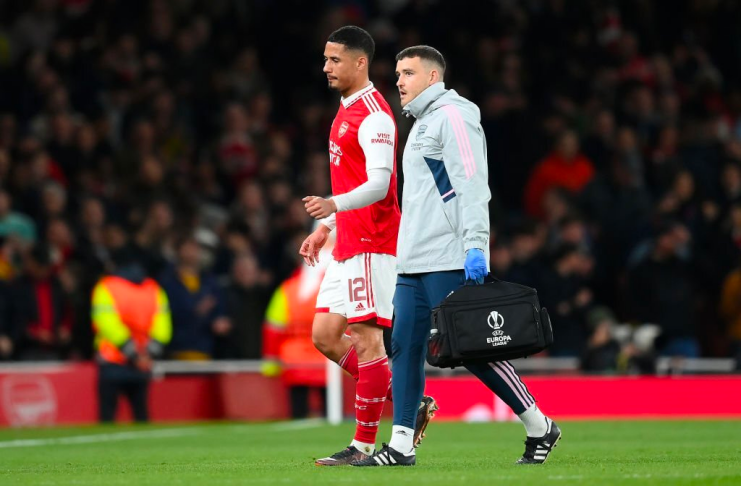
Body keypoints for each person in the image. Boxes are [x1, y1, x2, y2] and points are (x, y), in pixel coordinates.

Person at [354, 46, 561, 467]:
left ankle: (540, 424)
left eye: (408, 73)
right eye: (397, 73)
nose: (399, 80)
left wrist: (475, 246)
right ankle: (401, 444)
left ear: (433, 77)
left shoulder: (454, 115)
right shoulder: (422, 122)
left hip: (448, 254)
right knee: (404, 349)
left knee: (472, 348)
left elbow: (471, 184)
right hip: (412, 260)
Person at [299, 26, 436, 466]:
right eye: (325, 59)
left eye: (334, 60)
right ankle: (409, 403)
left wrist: (332, 205)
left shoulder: (375, 115)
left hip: (374, 243)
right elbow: (356, 178)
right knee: (324, 336)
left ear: (361, 62)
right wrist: (330, 225)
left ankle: (362, 446)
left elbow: (379, 185)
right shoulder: (345, 109)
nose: (326, 67)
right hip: (348, 239)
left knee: (366, 339)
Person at [91, 246, 172, 422]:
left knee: (107, 418)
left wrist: (132, 353)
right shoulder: (154, 289)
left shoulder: (107, 287)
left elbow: (107, 324)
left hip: (112, 361)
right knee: (141, 415)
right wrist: (145, 354)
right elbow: (163, 328)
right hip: (143, 363)